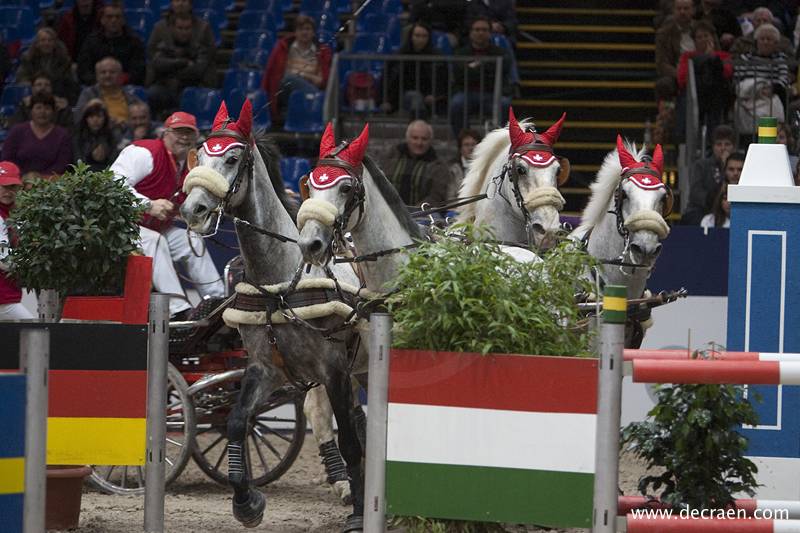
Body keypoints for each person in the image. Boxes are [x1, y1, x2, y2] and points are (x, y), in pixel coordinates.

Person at [110, 111, 224, 318]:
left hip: (151, 227)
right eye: (178, 132)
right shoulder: (145, 152)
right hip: (118, 224)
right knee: (154, 240)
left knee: (191, 239)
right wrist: (148, 205)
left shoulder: (189, 165)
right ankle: (177, 310)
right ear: (165, 133)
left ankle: (217, 301)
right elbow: (113, 184)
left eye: (189, 133)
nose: (184, 138)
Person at [449, 16, 513, 136]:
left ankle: (500, 141)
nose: (480, 33)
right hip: (467, 92)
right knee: (456, 104)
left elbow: (500, 73)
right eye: (477, 30)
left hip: (492, 94)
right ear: (470, 32)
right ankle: (462, 139)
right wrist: (485, 68)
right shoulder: (461, 53)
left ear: (490, 33)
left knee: (505, 104)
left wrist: (473, 68)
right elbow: (460, 76)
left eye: (484, 30)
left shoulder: (500, 52)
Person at [261, 15, 332, 121]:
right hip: (285, 91)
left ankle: (295, 112)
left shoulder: (322, 52)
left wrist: (301, 75)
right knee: (288, 79)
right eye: (300, 29)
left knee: (291, 78)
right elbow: (273, 74)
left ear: (313, 32)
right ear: (295, 32)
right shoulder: (283, 48)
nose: (304, 32)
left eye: (308, 29)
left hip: (309, 92)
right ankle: (311, 107)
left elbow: (321, 81)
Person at [147, 11, 216, 119]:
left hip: (190, 90)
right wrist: (183, 62)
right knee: (153, 92)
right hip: (166, 90)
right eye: (180, 28)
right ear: (173, 28)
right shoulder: (164, 46)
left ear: (192, 29)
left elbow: (197, 71)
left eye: (187, 28)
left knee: (189, 95)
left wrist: (170, 70)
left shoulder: (199, 49)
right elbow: (158, 64)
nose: (184, 32)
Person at [733, 23, 792, 139]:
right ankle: (746, 139)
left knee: (773, 105)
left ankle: (768, 138)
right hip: (747, 95)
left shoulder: (780, 59)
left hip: (769, 95)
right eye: (762, 39)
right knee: (738, 105)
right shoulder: (745, 58)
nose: (765, 42)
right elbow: (737, 78)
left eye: (769, 39)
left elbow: (784, 79)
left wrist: (772, 89)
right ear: (757, 41)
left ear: (775, 43)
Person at [676, 21, 733, 137]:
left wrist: (712, 57)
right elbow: (682, 79)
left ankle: (714, 139)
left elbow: (727, 73)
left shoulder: (724, 56)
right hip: (694, 95)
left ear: (712, 38)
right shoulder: (687, 57)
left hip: (717, 96)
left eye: (706, 36)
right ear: (694, 41)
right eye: (699, 37)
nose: (703, 40)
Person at [382, 22, 447, 119]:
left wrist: (435, 95)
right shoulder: (399, 55)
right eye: (417, 35)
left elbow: (444, 80)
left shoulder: (437, 57)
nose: (420, 39)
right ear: (411, 37)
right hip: (402, 96)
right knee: (415, 97)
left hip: (430, 98)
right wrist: (386, 100)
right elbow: (388, 78)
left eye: (424, 36)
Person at [1, 93, 73, 177]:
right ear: (31, 110)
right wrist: (24, 176)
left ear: (54, 112)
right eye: (38, 107)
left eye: (47, 108)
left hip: (51, 180)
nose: (42, 112)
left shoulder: (62, 135)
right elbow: (7, 159)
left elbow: (62, 164)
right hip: (17, 179)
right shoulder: (17, 131)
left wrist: (40, 177)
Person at [381, 119, 450, 207]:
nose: (419, 143)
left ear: (430, 141)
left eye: (424, 139)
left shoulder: (438, 166)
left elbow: (436, 196)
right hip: (387, 208)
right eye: (415, 138)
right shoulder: (392, 155)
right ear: (407, 138)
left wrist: (415, 210)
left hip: (420, 213)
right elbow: (380, 182)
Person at [76, 2, 147, 86]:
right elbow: (83, 70)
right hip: (96, 86)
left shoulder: (134, 42)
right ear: (102, 20)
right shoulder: (91, 41)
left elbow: (138, 72)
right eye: (109, 17)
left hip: (125, 87)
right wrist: (99, 81)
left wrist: (120, 81)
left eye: (118, 17)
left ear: (123, 21)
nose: (114, 20)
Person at [0, 161, 34, 321]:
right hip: (3, 298)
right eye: (4, 187)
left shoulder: (14, 213)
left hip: (7, 295)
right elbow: (4, 259)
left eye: (13, 187)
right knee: (34, 330)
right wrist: (33, 263)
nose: (8, 192)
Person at [75, 57, 144, 136]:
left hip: (128, 134)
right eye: (103, 72)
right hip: (100, 135)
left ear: (120, 75)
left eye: (112, 72)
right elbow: (78, 117)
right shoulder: (88, 94)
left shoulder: (131, 96)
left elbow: (144, 118)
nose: (107, 75)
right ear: (97, 76)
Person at [683, 124, 735, 225]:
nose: (723, 148)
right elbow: (696, 194)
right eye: (719, 144)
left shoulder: (740, 166)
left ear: (733, 147)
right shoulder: (701, 165)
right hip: (703, 211)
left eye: (727, 144)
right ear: (713, 147)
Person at [16, 28, 79, 104]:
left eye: (50, 40)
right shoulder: (28, 58)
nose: (46, 43)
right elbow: (22, 77)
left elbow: (69, 82)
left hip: (58, 94)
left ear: (55, 43)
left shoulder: (64, 59)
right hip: (35, 95)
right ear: (37, 43)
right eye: (43, 40)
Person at [147, 0, 216, 66]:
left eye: (184, 0)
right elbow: (151, 52)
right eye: (177, 0)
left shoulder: (203, 27)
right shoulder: (159, 27)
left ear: (190, 4)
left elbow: (210, 54)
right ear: (171, 4)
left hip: (196, 71)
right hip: (166, 71)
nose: (180, 4)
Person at [655, 0, 695, 102]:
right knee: (664, 84)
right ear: (673, 11)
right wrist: (681, 74)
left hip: (700, 72)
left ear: (693, 10)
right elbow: (661, 63)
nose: (682, 12)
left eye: (686, 9)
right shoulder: (663, 34)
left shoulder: (704, 29)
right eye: (679, 9)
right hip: (675, 74)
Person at [73, 99, 121, 171]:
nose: (95, 120)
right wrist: (90, 157)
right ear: (86, 119)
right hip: (84, 174)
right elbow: (77, 162)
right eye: (91, 116)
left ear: (105, 118)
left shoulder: (111, 136)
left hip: (106, 173)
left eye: (99, 116)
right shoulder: (78, 136)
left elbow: (114, 162)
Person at [730, 7, 795, 56]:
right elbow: (733, 60)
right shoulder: (741, 42)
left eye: (765, 20)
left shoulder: (784, 42)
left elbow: (791, 62)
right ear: (752, 23)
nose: (761, 23)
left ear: (771, 23)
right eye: (758, 21)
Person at [447, 128, 480, 200]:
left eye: (473, 144)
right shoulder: (451, 169)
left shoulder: (485, 168)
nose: (470, 148)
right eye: (466, 145)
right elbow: (450, 197)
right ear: (460, 148)